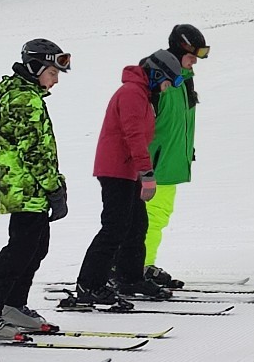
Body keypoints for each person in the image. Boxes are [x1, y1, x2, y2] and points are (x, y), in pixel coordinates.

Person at [0, 40, 72, 340]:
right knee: (20, 250)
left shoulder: (28, 96)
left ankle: (11, 305)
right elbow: (34, 152)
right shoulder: (23, 100)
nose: (55, 80)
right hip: (24, 187)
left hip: (31, 188)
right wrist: (54, 188)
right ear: (35, 68)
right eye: (52, 72)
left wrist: (53, 187)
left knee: (35, 247)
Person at [70, 50, 184, 309]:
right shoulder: (132, 93)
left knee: (137, 224)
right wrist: (147, 173)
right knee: (114, 228)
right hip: (116, 169)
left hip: (127, 170)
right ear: (156, 75)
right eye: (168, 81)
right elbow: (133, 136)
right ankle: (89, 284)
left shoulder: (142, 93)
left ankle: (129, 278)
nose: (168, 88)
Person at [143, 24, 209, 289]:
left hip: (169, 161)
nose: (195, 62)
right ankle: (131, 266)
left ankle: (143, 264)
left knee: (158, 216)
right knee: (146, 218)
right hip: (152, 163)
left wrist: (185, 150)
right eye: (192, 56)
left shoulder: (184, 78)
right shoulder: (155, 75)